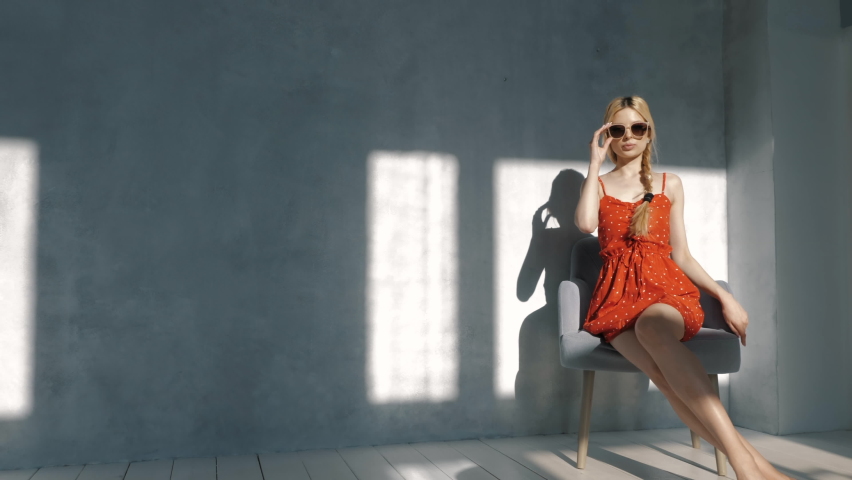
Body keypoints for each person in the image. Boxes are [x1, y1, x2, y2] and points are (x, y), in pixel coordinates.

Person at [573, 95, 791, 480]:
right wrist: (593, 164)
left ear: (649, 132)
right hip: (615, 303)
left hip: (665, 293)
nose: (628, 136)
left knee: (652, 328)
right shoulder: (601, 186)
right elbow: (585, 223)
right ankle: (763, 471)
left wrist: (726, 297)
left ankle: (744, 470)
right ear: (607, 135)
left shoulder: (668, 183)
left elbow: (684, 256)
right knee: (667, 383)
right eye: (618, 129)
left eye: (637, 128)